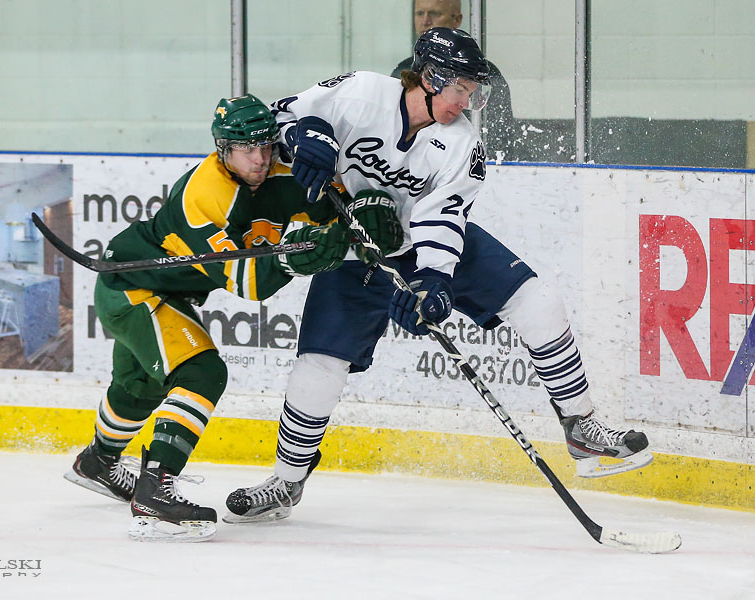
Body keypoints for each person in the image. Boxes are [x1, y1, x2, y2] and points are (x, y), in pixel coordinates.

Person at [223, 28, 652, 524]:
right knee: (317, 367)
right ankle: (287, 482)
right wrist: (306, 135)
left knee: (540, 303)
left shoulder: (462, 144)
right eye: (461, 89)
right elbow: (281, 115)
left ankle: (581, 426)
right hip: (355, 248)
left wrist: (433, 280)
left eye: (473, 91)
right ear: (429, 77)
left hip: (421, 246)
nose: (466, 101)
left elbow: (442, 215)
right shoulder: (361, 92)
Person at [63, 93, 351, 542]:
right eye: (245, 149)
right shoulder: (205, 194)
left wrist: (355, 218)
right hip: (134, 289)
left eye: (265, 146)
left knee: (138, 387)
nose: (258, 158)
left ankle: (97, 463)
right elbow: (249, 285)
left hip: (166, 293)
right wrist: (299, 260)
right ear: (224, 149)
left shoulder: (279, 172)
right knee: (202, 372)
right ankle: (155, 490)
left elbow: (334, 211)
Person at [391, 0, 518, 161]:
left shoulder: (485, 76)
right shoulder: (403, 69)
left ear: (457, 20)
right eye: (419, 13)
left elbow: (500, 143)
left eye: (435, 13)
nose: (425, 21)